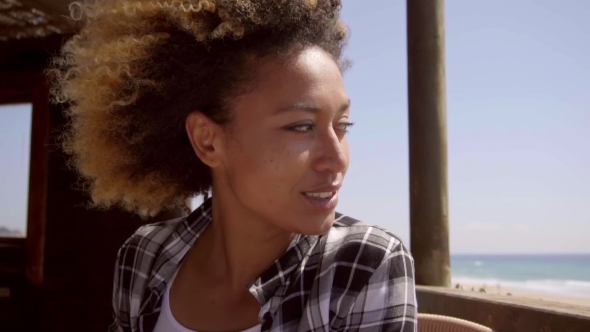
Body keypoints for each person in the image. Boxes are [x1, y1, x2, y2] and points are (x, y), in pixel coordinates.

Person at [50, 0, 417, 331]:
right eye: (302, 127)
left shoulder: (362, 268)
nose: (338, 158)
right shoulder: (144, 257)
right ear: (208, 140)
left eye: (342, 126)